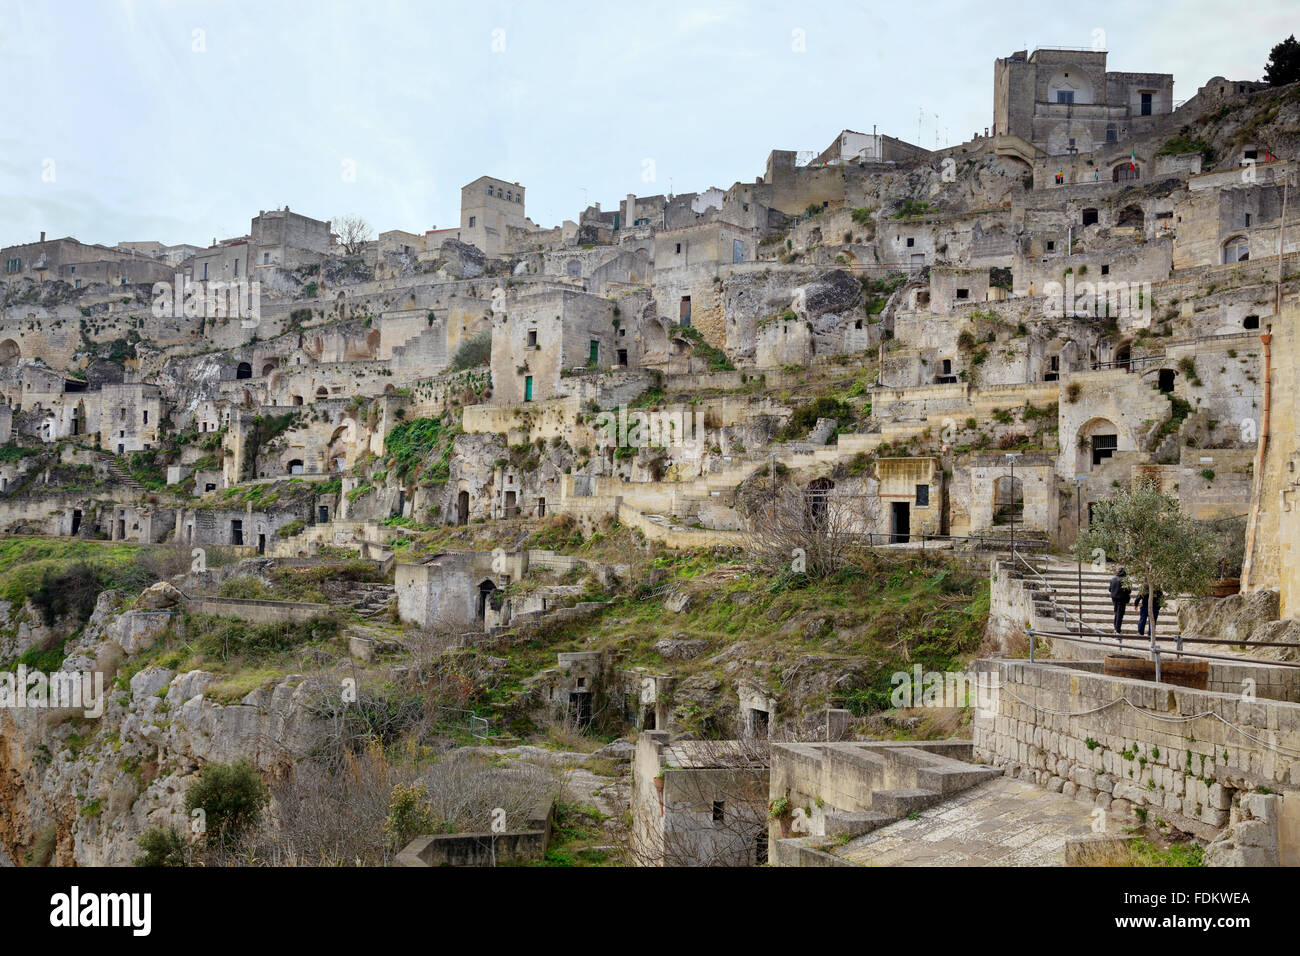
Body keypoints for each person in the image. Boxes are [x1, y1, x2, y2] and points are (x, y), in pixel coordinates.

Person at [1108, 568, 1132, 634]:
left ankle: (1115, 628)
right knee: (1120, 615)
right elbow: (1129, 591)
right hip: (1122, 599)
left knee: (1116, 613)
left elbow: (1110, 589)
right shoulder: (1125, 580)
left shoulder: (1113, 579)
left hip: (1114, 599)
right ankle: (1117, 630)